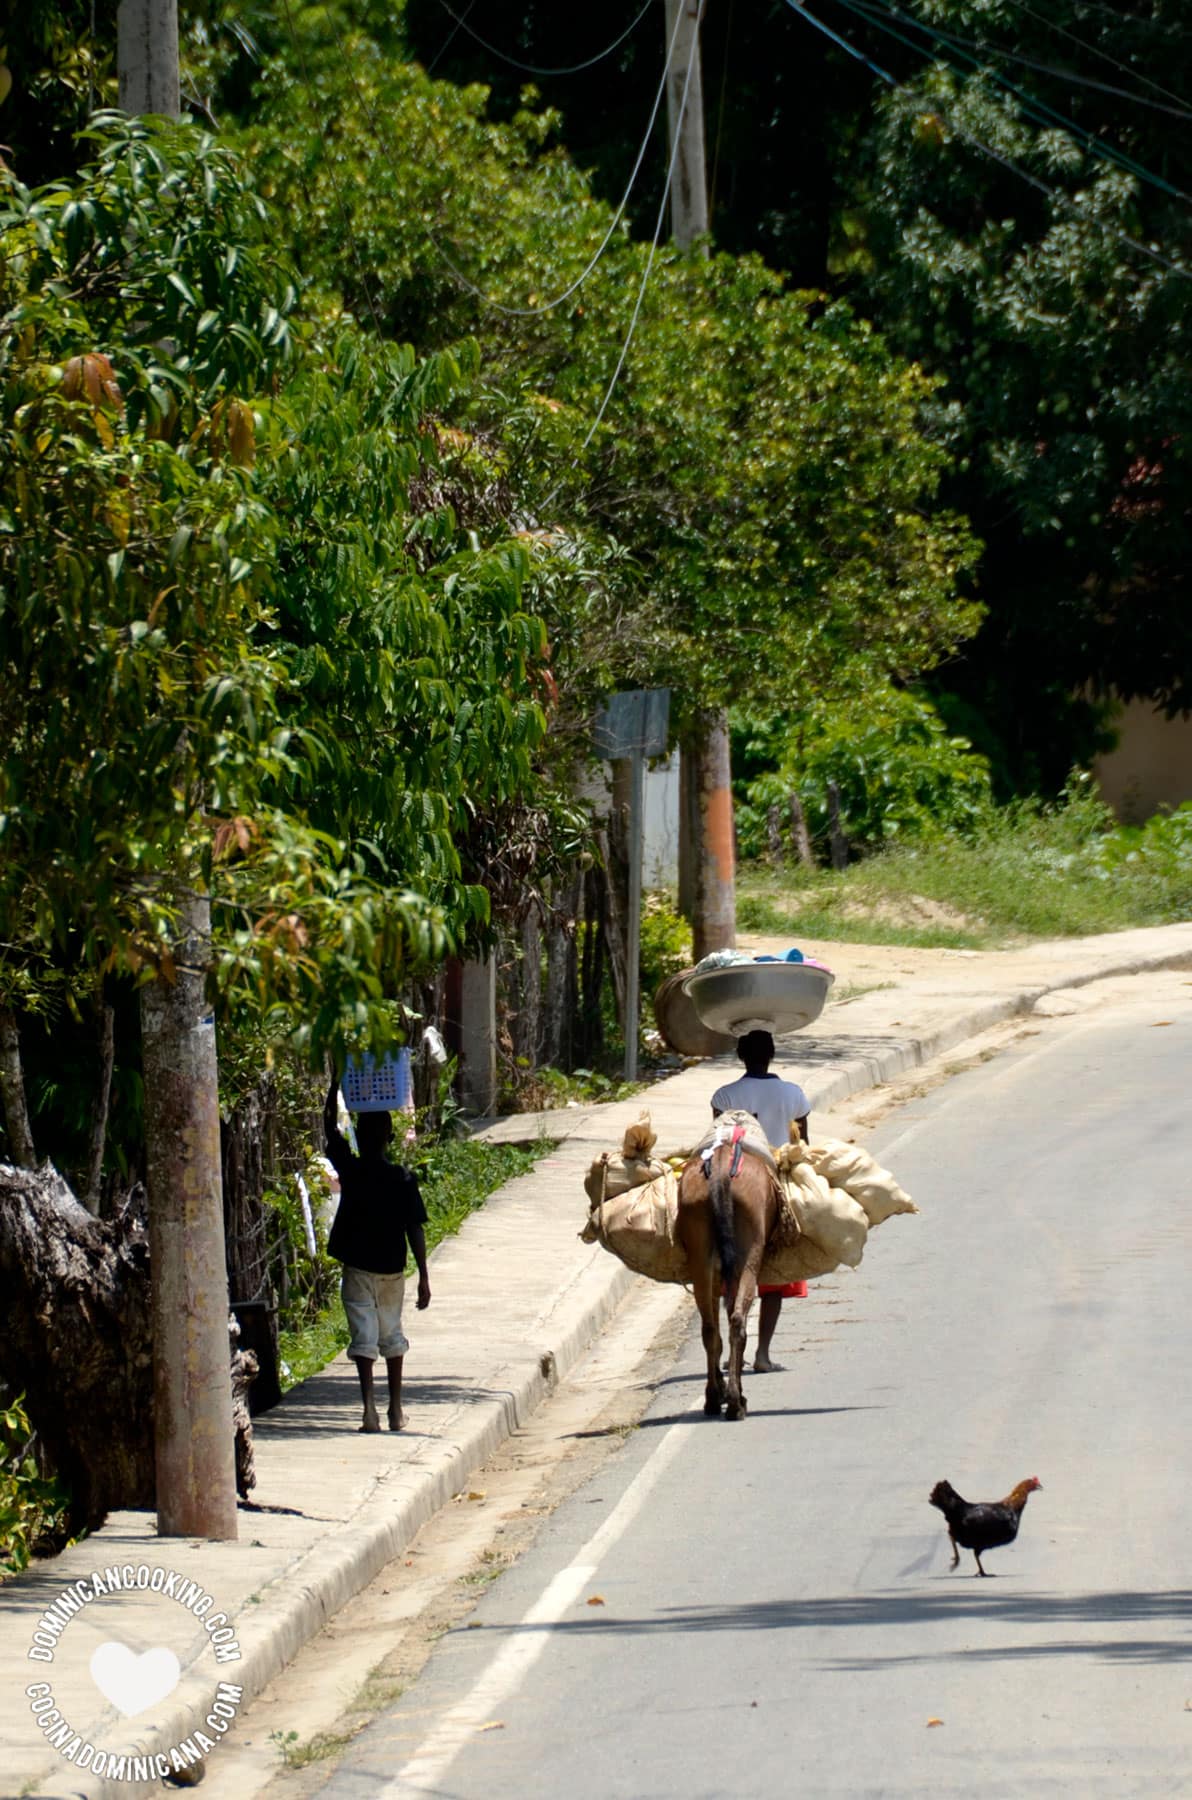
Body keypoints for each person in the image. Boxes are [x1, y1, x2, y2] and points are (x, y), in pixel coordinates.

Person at [323, 1078, 431, 1432]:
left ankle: (369, 1410)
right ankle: (396, 1410)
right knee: (392, 1335)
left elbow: (330, 1131)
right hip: (391, 1270)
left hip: (357, 1266)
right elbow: (415, 1227)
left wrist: (334, 1084)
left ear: (361, 1134)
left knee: (363, 1337)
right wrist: (424, 1277)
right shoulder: (402, 1178)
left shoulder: (352, 1171)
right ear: (388, 1137)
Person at [711, 1029, 810, 1374]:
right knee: (777, 1268)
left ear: (740, 1055)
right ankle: (762, 1354)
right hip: (776, 1177)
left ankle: (729, 1353)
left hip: (732, 1172)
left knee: (728, 1260)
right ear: (772, 1053)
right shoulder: (793, 1094)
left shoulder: (724, 1095)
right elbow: (803, 1145)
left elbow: (717, 1141)